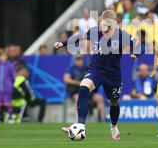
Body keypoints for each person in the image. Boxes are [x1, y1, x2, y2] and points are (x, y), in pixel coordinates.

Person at [55, 10, 140, 140]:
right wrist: (63, 43)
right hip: (96, 70)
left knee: (113, 102)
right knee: (83, 88)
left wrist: (135, 53)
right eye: (103, 23)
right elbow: (79, 37)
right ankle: (80, 124)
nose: (105, 27)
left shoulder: (121, 35)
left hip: (113, 75)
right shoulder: (95, 32)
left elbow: (137, 42)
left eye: (108, 24)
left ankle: (113, 126)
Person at [63, 54, 106, 122]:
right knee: (77, 97)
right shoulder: (71, 69)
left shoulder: (86, 69)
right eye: (77, 59)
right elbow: (66, 79)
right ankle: (78, 119)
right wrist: (78, 83)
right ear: (75, 60)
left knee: (100, 98)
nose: (79, 61)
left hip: (87, 91)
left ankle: (103, 120)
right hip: (75, 91)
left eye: (80, 59)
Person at [0, 51, 16, 124]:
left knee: (8, 104)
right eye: (1, 56)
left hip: (7, 88)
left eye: (4, 56)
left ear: (6, 57)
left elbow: (13, 77)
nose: (3, 58)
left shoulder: (10, 65)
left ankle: (10, 117)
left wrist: (9, 84)